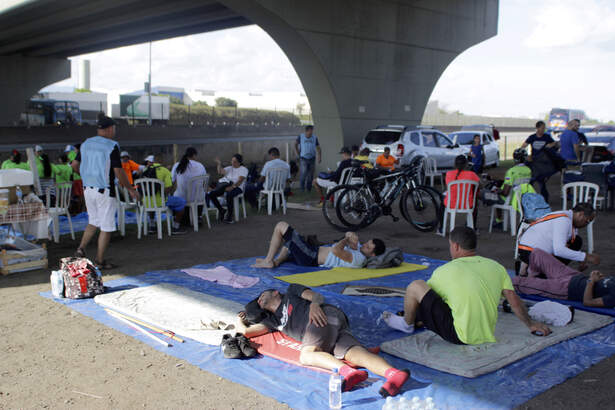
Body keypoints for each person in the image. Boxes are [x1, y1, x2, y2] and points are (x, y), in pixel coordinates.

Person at [236, 284, 410, 397]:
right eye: (258, 302)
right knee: (355, 354)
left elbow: (317, 296)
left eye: (262, 295)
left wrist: (313, 305)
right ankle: (394, 374)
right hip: (327, 330)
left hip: (323, 316)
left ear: (275, 292)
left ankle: (348, 373)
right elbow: (246, 332)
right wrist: (239, 319)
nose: (259, 299)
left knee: (306, 355)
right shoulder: (272, 322)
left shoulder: (291, 292)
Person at [400, 227, 551, 345]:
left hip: (459, 336)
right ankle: (414, 319)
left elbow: (427, 299)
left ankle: (406, 324)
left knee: (416, 287)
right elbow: (514, 300)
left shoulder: (444, 270)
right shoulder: (497, 266)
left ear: (456, 246)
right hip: (486, 334)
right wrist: (530, 325)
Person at [72, 116, 139, 269]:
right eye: (114, 129)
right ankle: (99, 261)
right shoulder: (111, 145)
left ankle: (80, 248)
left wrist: (86, 176)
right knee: (106, 227)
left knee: (93, 221)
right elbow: (118, 170)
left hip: (88, 189)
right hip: (105, 190)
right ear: (110, 129)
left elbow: (75, 165)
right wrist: (129, 188)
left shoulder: (86, 143)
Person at [252, 221, 385, 269]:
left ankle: (268, 260)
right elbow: (351, 237)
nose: (364, 245)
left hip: (311, 256)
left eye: (367, 247)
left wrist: (346, 237)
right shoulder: (360, 250)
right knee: (289, 245)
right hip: (312, 253)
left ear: (372, 255)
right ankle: (276, 261)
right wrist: (351, 234)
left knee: (281, 226)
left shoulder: (359, 259)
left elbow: (335, 250)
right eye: (366, 243)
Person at [512, 248, 615, 308]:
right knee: (537, 253)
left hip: (566, 289)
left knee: (515, 282)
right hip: (573, 275)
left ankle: (531, 284)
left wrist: (591, 281)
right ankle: (533, 279)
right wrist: (596, 276)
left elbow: (587, 302)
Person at [517, 202, 599, 271]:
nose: (586, 224)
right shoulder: (564, 221)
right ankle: (536, 271)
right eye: (587, 221)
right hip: (530, 252)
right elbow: (559, 250)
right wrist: (585, 257)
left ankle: (535, 269)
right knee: (563, 279)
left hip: (529, 250)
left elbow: (569, 243)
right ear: (580, 214)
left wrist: (579, 258)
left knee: (576, 241)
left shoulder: (567, 217)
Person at [141, 155, 187, 235]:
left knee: (152, 202)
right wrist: (164, 195)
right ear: (162, 162)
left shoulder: (145, 170)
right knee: (181, 201)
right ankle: (176, 227)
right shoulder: (165, 171)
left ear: (153, 161)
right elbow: (168, 187)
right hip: (160, 201)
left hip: (146, 201)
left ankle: (152, 226)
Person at [521, 121, 558, 202]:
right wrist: (527, 156)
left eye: (544, 128)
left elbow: (554, 143)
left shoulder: (546, 137)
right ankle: (526, 197)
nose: (544, 129)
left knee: (541, 181)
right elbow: (523, 146)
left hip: (543, 162)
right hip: (533, 162)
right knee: (531, 180)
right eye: (542, 128)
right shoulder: (532, 137)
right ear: (537, 128)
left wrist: (551, 145)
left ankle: (545, 200)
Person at [208, 154, 248, 224]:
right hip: (225, 186)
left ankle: (229, 216)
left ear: (239, 162)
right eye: (232, 161)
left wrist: (232, 187)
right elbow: (220, 172)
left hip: (237, 187)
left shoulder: (243, 169)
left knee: (229, 195)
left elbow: (240, 181)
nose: (232, 163)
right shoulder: (229, 168)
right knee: (211, 194)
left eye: (234, 161)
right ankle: (221, 210)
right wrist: (219, 164)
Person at [444, 155, 479, 229]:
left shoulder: (449, 174)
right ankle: (473, 227)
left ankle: (441, 228)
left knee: (442, 204)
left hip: (451, 204)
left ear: (454, 164)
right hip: (467, 204)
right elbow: (479, 185)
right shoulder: (472, 174)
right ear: (466, 164)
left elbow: (448, 187)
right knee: (475, 201)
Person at [295, 125, 321, 192]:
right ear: (306, 131)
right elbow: (295, 144)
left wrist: (319, 157)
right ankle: (302, 189)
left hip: (312, 158)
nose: (311, 132)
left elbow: (318, 148)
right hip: (303, 158)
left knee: (310, 174)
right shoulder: (301, 136)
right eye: (310, 131)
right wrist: (298, 153)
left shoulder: (314, 138)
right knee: (303, 173)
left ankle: (308, 188)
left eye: (312, 130)